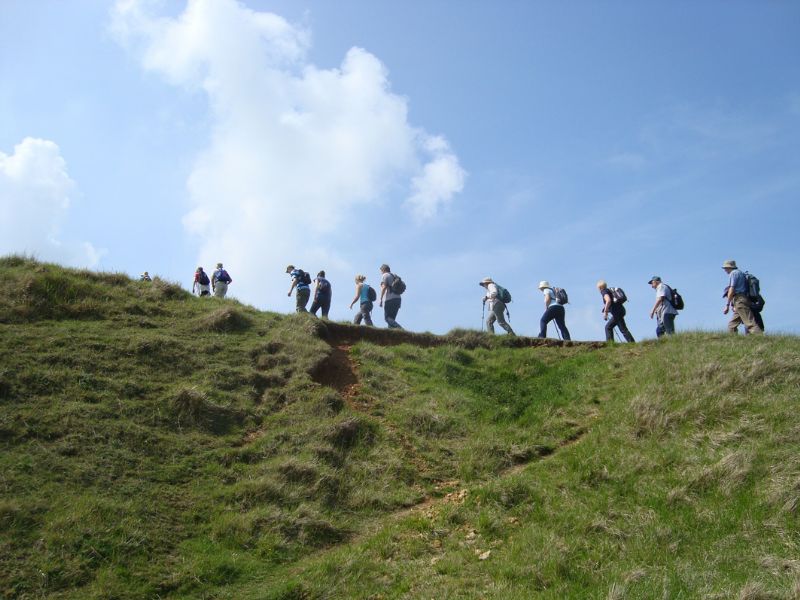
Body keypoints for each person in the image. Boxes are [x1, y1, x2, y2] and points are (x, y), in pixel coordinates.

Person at [722, 260, 762, 334]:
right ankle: (732, 342)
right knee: (732, 325)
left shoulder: (733, 273)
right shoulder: (741, 273)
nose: (724, 270)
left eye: (725, 268)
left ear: (729, 267)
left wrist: (727, 304)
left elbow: (732, 288)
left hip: (739, 300)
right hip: (743, 300)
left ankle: (761, 338)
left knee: (750, 323)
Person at [379, 264, 403, 329]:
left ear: (383, 270)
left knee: (387, 318)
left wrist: (380, 299)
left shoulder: (385, 275)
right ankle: (392, 334)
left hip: (390, 299)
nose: (380, 273)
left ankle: (400, 328)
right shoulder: (394, 276)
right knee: (391, 320)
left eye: (381, 271)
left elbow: (384, 287)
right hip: (398, 299)